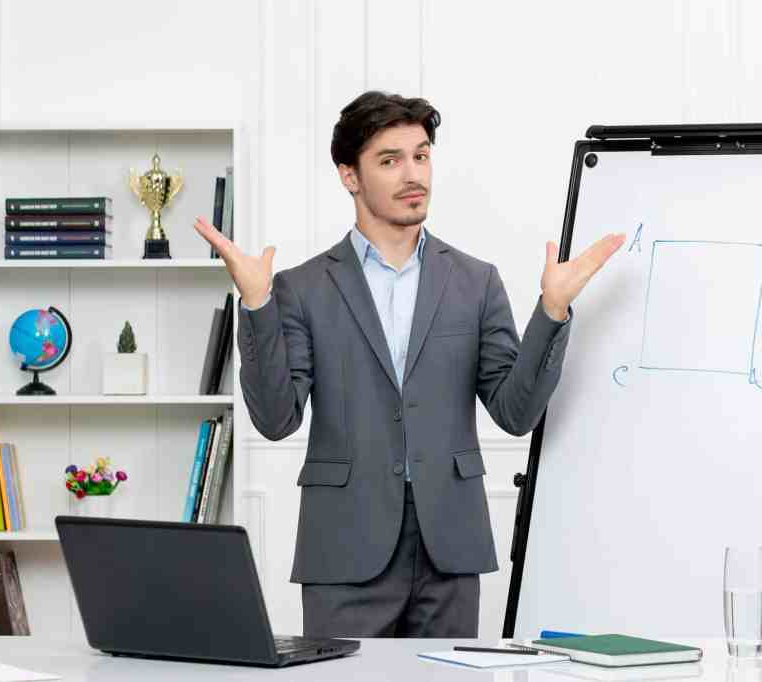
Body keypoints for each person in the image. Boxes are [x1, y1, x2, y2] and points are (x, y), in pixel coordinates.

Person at [193, 90, 624, 638]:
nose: (412, 173)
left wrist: (553, 309)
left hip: (450, 547)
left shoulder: (475, 281)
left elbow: (516, 414)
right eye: (390, 160)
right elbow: (277, 420)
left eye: (420, 155)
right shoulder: (301, 288)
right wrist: (257, 304)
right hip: (344, 550)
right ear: (350, 176)